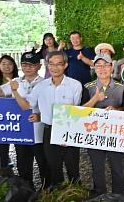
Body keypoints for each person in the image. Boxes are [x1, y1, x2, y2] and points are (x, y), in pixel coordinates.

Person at [12, 50, 82, 187]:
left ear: (65, 65)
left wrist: (66, 134)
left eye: (59, 64)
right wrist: (15, 91)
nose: (55, 68)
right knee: (54, 169)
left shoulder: (75, 85)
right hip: (49, 131)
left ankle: (76, 200)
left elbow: (76, 111)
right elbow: (26, 106)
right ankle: (58, 199)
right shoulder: (41, 86)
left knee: (73, 169)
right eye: (51, 64)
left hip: (70, 131)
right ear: (47, 65)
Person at [0, 51, 48, 188]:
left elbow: (34, 106)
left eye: (32, 64)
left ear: (39, 66)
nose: (28, 67)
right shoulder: (15, 81)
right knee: (23, 165)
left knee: (44, 164)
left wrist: (15, 92)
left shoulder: (46, 84)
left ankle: (47, 192)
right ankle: (27, 193)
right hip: (21, 132)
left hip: (39, 131)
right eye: (24, 64)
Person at [82, 53, 124, 196]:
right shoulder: (87, 87)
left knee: (117, 167)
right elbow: (80, 111)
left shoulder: (121, 87)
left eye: (105, 65)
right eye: (98, 66)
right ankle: (100, 196)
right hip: (93, 134)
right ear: (94, 68)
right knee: (97, 167)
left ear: (111, 67)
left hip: (114, 133)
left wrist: (117, 109)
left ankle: (118, 197)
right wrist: (95, 98)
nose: (102, 69)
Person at [0, 55, 19, 172]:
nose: (7, 66)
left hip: (15, 116)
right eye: (4, 64)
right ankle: (4, 168)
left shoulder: (19, 80)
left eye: (10, 64)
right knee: (1, 144)